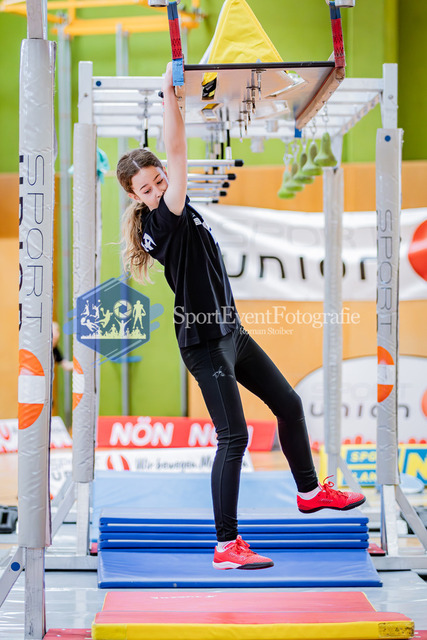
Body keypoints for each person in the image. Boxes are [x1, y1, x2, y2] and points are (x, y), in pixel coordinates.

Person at [116, 62, 365, 571]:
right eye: (147, 188)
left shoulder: (178, 206)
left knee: (289, 403)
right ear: (136, 197)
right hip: (204, 343)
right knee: (235, 437)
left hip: (232, 332)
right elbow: (178, 149)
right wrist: (169, 94)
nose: (158, 189)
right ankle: (226, 545)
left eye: (159, 180)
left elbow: (173, 159)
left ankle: (309, 492)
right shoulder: (165, 219)